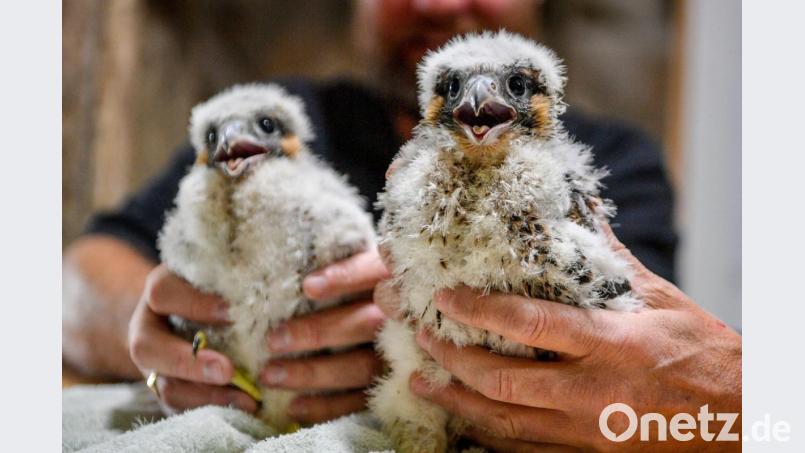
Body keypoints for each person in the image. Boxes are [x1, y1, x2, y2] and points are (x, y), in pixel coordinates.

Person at [63, 0, 739, 449]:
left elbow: (625, 353)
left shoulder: (607, 158)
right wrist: (205, 333)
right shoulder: (278, 120)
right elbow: (81, 275)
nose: (438, 3)